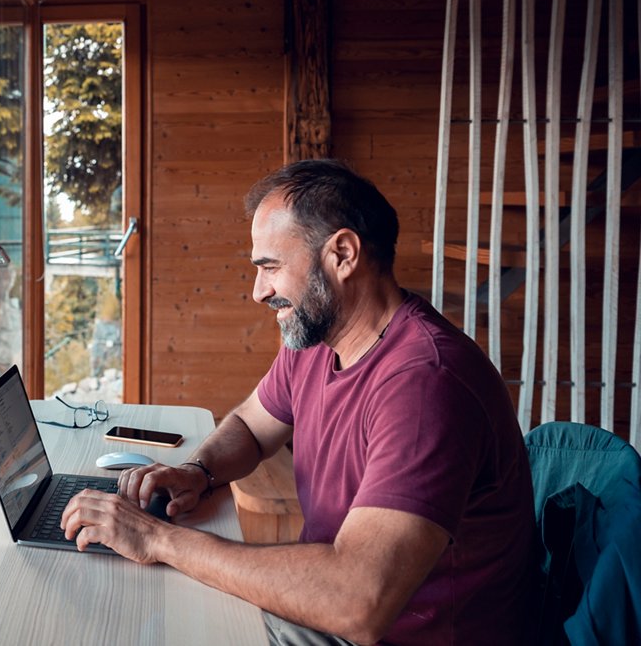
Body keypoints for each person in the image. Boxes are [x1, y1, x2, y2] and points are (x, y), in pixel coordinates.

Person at [60, 159, 535, 645]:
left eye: (270, 267)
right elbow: (250, 424)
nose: (258, 291)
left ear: (343, 254)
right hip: (334, 608)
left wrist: (158, 538)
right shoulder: (318, 340)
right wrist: (198, 471)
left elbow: (358, 600)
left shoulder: (426, 383)